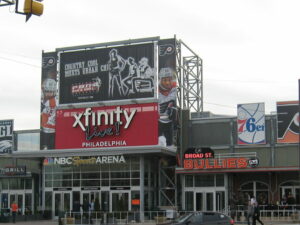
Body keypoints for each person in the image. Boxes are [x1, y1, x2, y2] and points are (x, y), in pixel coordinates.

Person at [158, 67, 177, 147]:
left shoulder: (175, 90)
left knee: (170, 144)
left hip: (169, 121)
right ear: (160, 80)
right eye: (165, 80)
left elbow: (172, 101)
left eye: (169, 80)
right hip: (158, 120)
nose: (167, 83)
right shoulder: (156, 91)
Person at [41, 77, 57, 150]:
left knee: (52, 147)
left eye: (50, 91)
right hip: (45, 129)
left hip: (53, 130)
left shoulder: (55, 101)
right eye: (47, 91)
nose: (48, 93)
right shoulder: (44, 102)